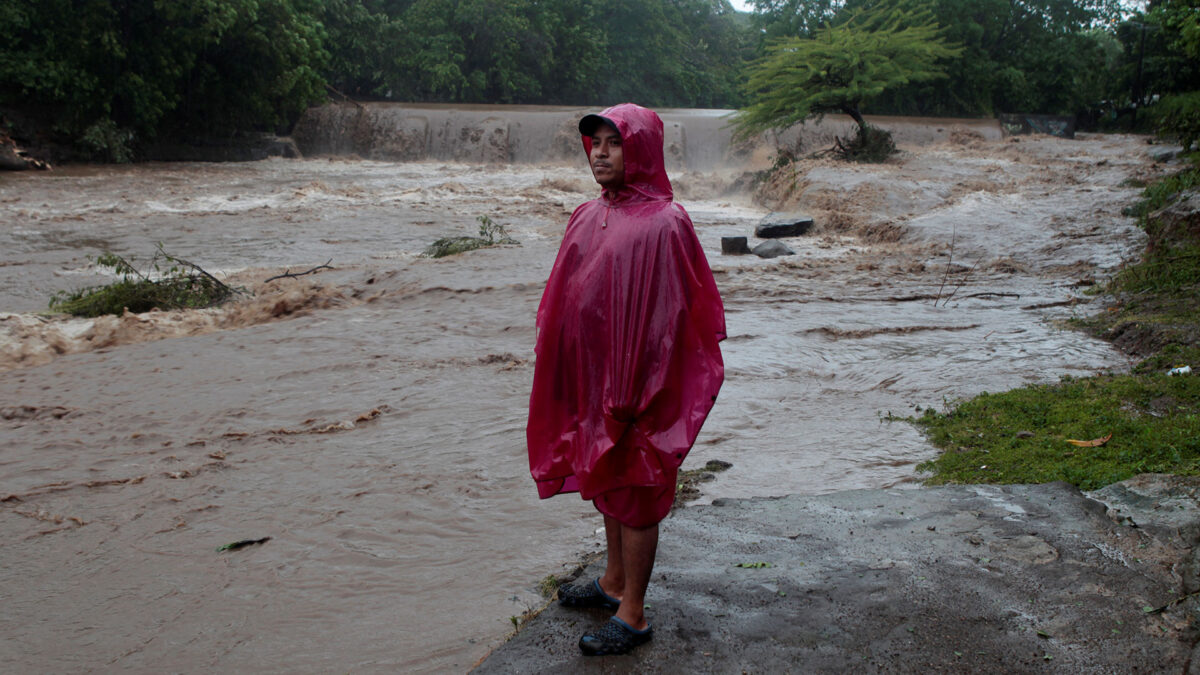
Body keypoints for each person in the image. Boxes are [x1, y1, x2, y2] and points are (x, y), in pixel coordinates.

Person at [526, 103, 726, 656]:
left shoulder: (667, 223)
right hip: (595, 382)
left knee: (636, 491)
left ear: (639, 149)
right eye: (595, 142)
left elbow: (678, 319)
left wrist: (642, 391)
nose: (601, 152)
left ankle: (633, 615)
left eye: (614, 142)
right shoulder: (589, 214)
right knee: (609, 482)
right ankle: (613, 582)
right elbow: (564, 298)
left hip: (641, 392)